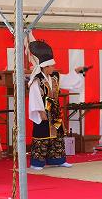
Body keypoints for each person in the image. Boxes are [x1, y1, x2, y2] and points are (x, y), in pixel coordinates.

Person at [28, 40, 84, 170]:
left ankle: (58, 160)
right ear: (45, 67)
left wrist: (76, 72)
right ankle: (37, 163)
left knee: (57, 136)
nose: (53, 68)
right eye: (51, 66)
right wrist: (40, 111)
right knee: (42, 135)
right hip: (43, 112)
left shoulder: (55, 77)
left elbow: (68, 80)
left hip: (54, 110)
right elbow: (35, 96)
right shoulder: (37, 80)